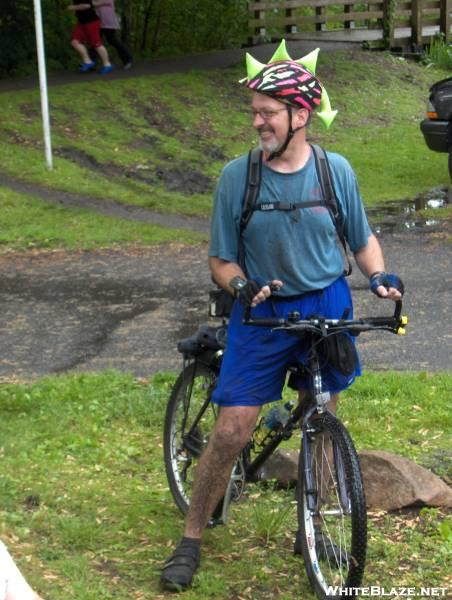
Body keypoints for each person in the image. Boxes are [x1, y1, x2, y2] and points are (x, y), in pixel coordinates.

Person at [160, 40, 404, 592]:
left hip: (326, 305)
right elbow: (220, 260)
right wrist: (242, 286)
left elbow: (361, 239)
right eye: (255, 112)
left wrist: (379, 277)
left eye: (268, 112)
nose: (258, 122)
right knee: (231, 430)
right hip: (262, 313)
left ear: (301, 115)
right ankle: (192, 536)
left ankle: (311, 528)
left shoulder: (334, 171)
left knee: (321, 418)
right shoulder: (236, 178)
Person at [67, 1, 113, 74]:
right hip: (81, 22)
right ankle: (88, 61)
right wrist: (102, 3)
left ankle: (107, 64)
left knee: (96, 43)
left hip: (91, 22)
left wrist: (72, 7)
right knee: (74, 42)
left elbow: (87, 5)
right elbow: (91, 3)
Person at [92, 0, 133, 69]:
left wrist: (88, 2)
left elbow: (96, 3)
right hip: (99, 22)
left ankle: (127, 59)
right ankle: (91, 63)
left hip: (109, 23)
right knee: (95, 41)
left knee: (112, 40)